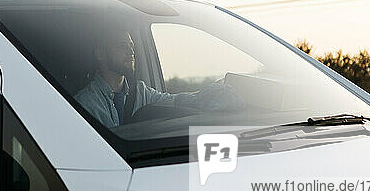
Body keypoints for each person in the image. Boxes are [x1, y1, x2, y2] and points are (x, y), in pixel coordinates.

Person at [74, 27, 245, 128]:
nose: (131, 52)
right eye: (122, 46)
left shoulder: (141, 91)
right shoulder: (84, 104)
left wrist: (213, 92)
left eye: (131, 46)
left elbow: (175, 101)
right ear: (101, 54)